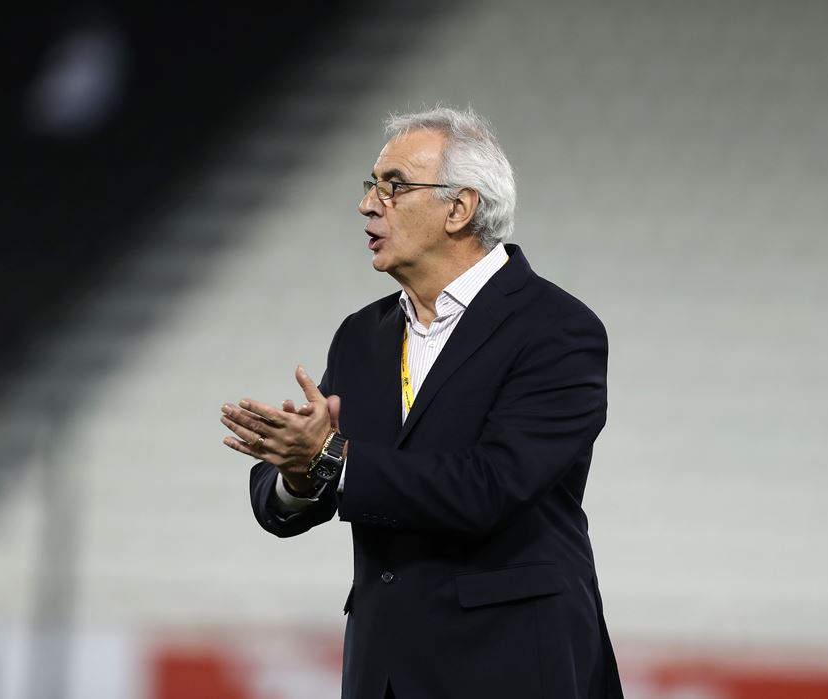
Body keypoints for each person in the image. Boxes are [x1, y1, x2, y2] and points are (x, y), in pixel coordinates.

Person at [220, 106, 623, 699]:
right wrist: (298, 475)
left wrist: (332, 460)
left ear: (459, 208)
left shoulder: (558, 329)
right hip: (381, 669)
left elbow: (489, 486)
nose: (367, 204)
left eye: (394, 186)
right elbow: (301, 487)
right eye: (370, 186)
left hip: (510, 663)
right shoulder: (362, 336)